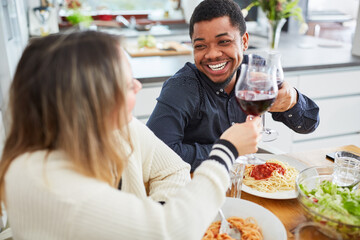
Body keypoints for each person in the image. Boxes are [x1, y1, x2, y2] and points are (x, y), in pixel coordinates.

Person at [0, 31, 262, 239]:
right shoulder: (54, 188)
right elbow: (177, 231)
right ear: (88, 103)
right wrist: (226, 149)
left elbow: (173, 169)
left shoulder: (114, 128)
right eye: (127, 84)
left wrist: (153, 214)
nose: (138, 86)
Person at [147, 0, 320, 172]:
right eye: (200, 46)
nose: (212, 54)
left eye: (223, 42)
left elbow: (309, 124)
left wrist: (293, 100)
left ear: (244, 41)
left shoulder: (256, 72)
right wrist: (231, 151)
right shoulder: (182, 87)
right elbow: (154, 157)